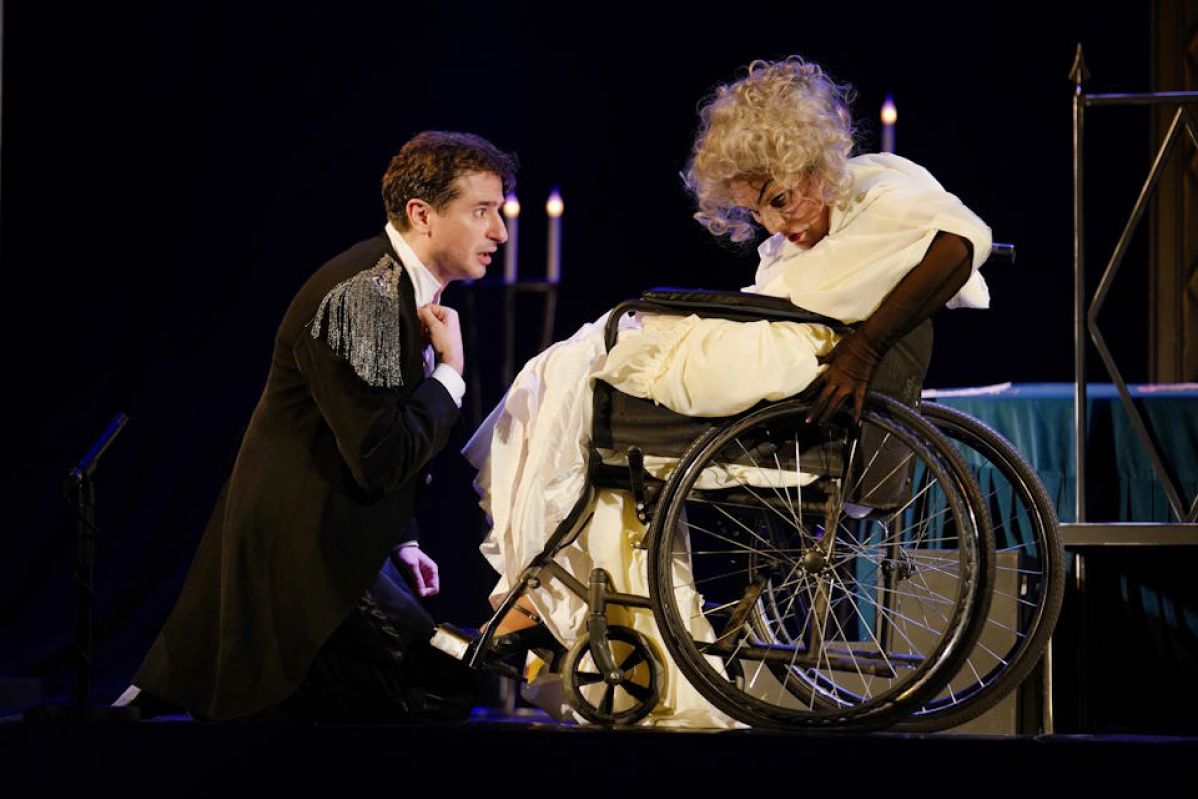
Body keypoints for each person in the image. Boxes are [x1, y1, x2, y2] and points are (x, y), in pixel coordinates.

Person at [461, 56, 992, 727]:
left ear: (812, 163)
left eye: (779, 200)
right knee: (559, 375)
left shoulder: (884, 187)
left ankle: (536, 599)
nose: (773, 224)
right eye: (755, 210)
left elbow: (962, 244)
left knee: (591, 360)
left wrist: (863, 352)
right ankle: (539, 593)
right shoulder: (809, 222)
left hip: (794, 357)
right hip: (770, 337)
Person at [119, 131, 518, 723]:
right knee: (438, 690)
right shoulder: (364, 294)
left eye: (498, 212)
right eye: (481, 211)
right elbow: (382, 455)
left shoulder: (394, 288)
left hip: (336, 544)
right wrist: (451, 373)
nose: (500, 233)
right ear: (421, 215)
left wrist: (402, 538)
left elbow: (368, 425)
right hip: (301, 561)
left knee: (449, 680)